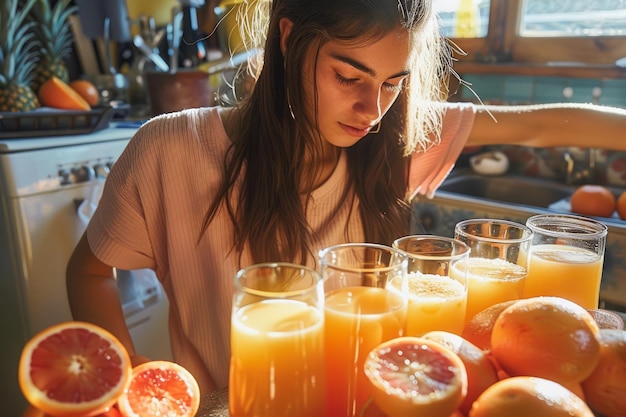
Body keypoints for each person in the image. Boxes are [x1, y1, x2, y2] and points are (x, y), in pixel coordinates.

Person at [66, 0, 626, 394]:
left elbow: (538, 126)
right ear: (288, 39)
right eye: (348, 76)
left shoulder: (388, 143)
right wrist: (126, 371)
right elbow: (89, 271)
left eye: (392, 82)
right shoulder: (170, 149)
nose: (372, 110)